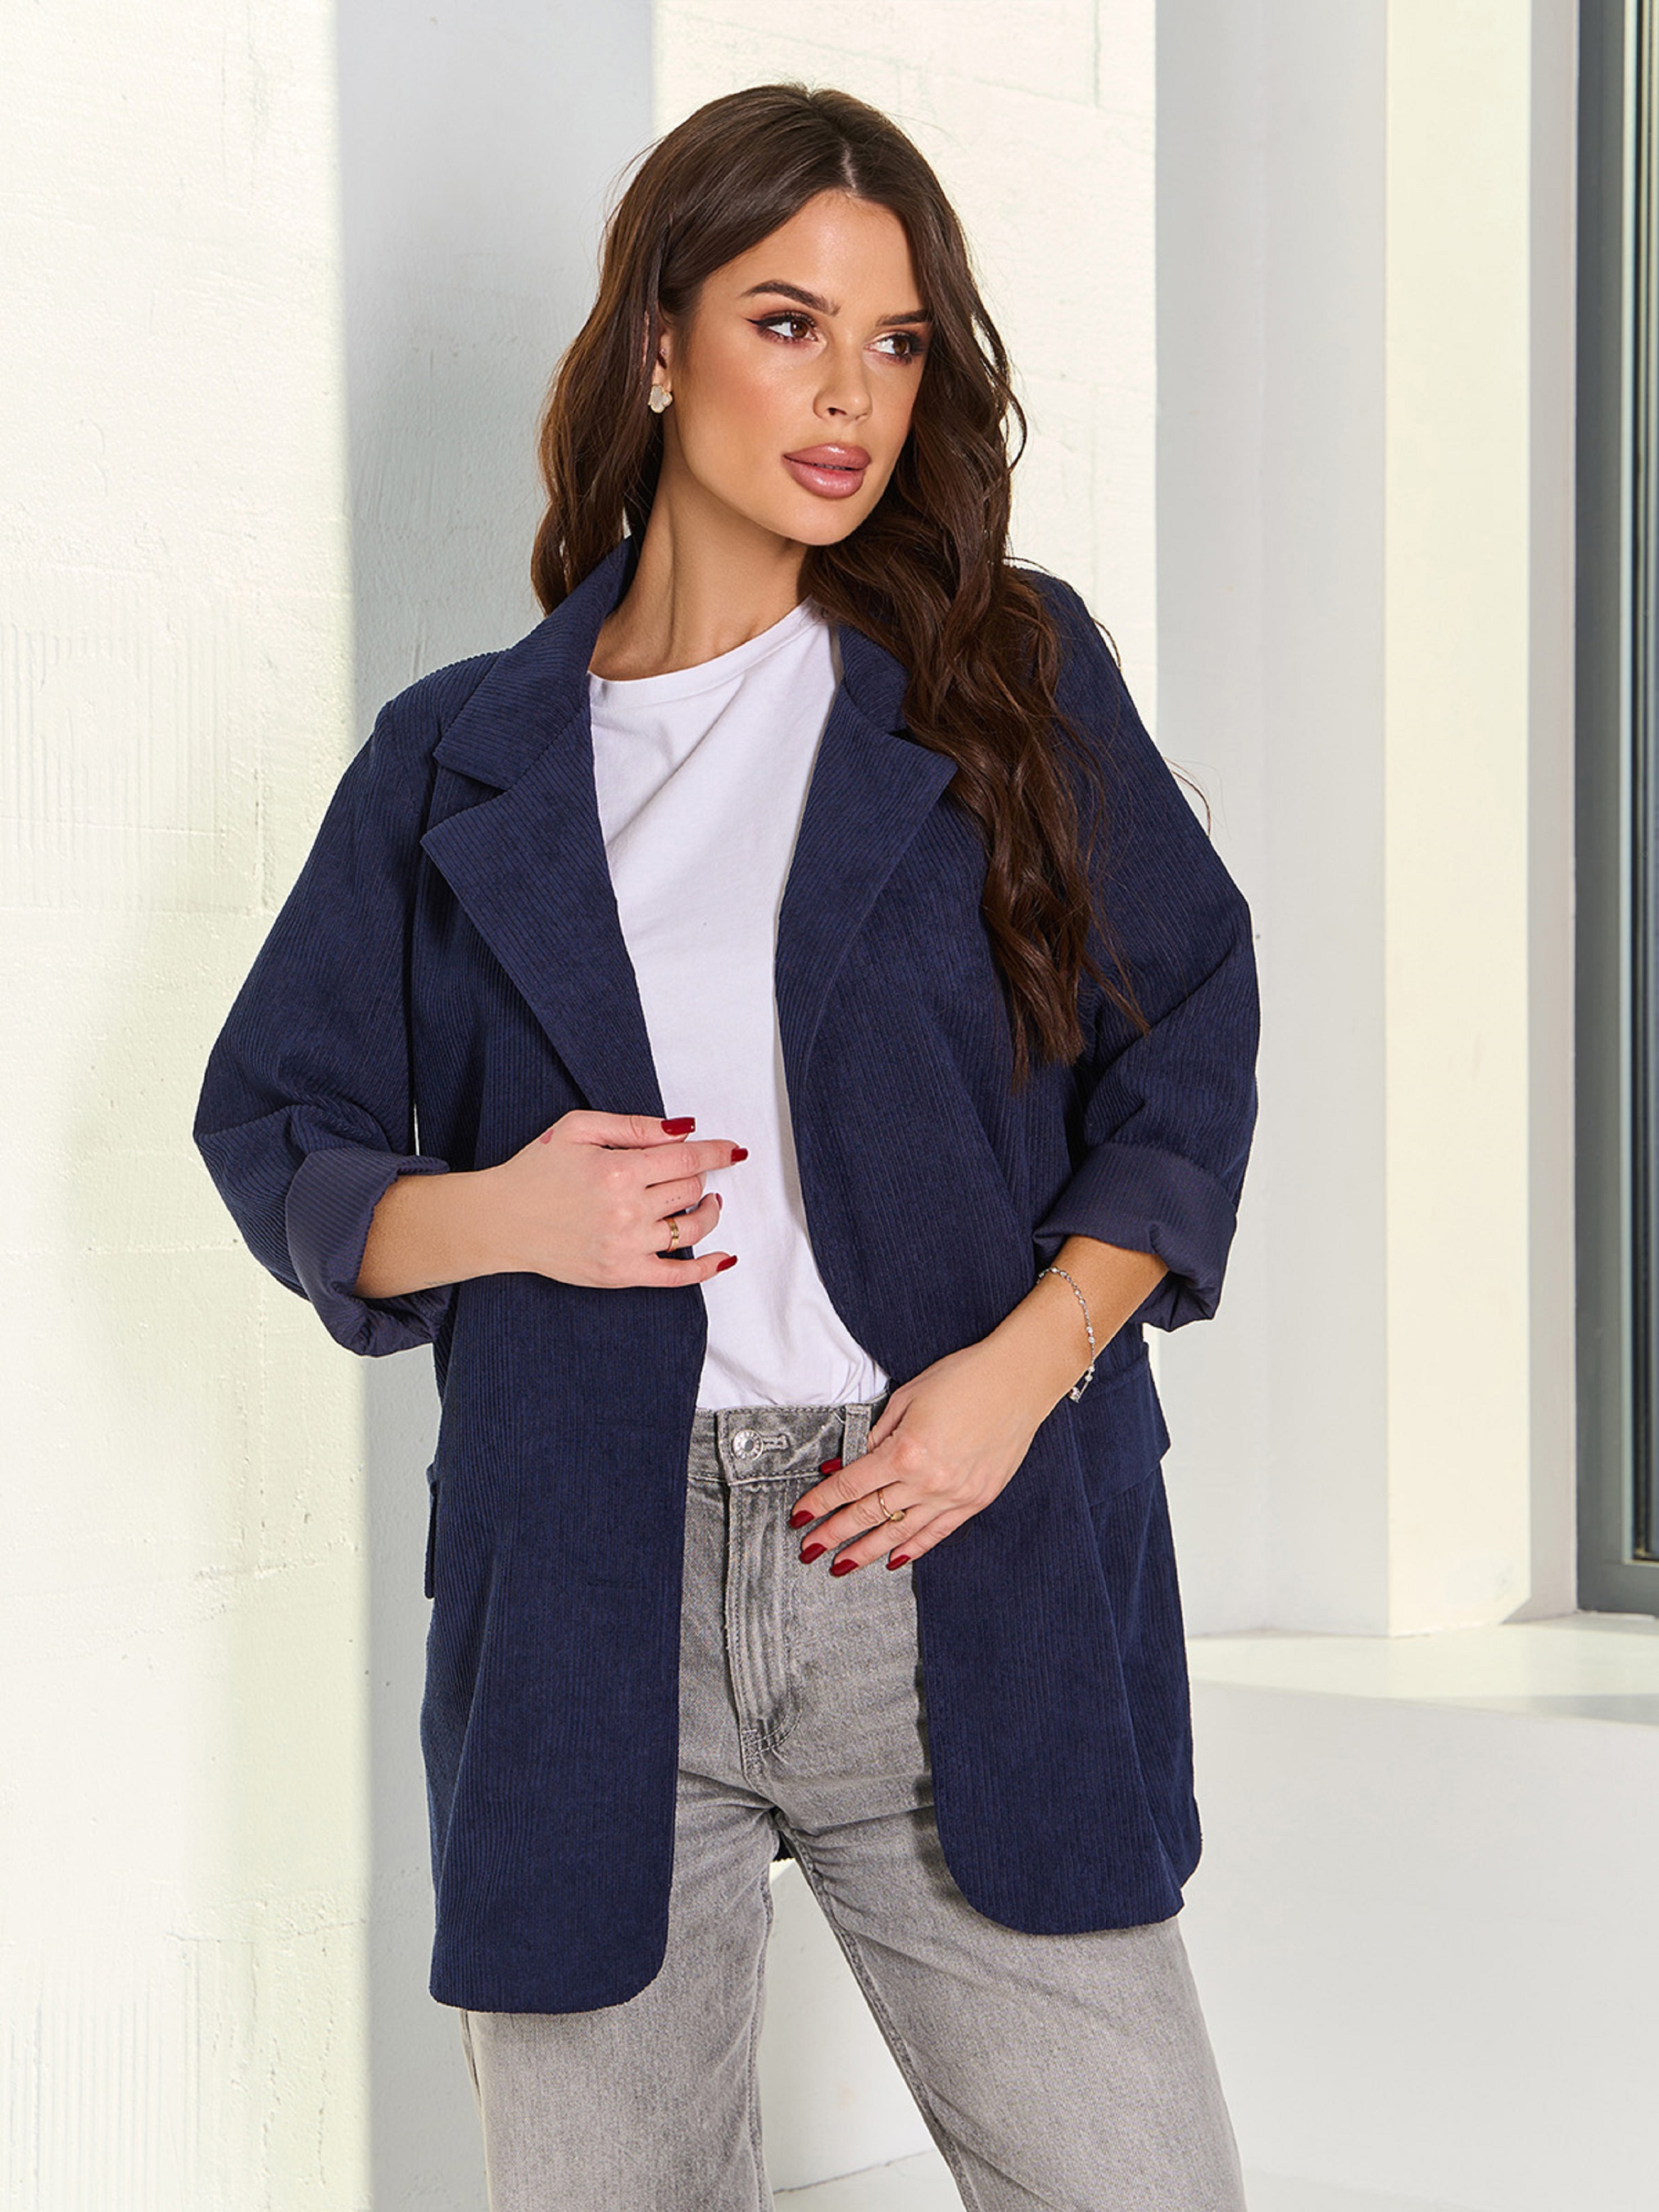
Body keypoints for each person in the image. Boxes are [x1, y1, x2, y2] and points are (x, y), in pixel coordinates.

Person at [194, 79, 1260, 2212]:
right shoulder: (458, 756)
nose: (850, 394)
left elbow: (1188, 1049)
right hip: (592, 1582)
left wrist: (1019, 1373)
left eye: (895, 342)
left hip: (946, 1539)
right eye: (789, 322)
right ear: (661, 342)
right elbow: (273, 1127)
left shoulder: (1003, 676)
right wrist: (501, 1209)